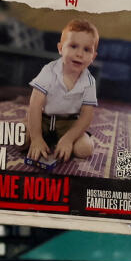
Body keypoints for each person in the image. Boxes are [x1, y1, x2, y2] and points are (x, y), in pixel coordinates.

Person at [26, 18, 99, 167]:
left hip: (69, 124)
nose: (79, 54)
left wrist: (69, 139)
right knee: (20, 140)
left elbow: (86, 116)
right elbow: (34, 105)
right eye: (73, 46)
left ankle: (63, 142)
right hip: (44, 119)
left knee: (85, 149)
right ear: (60, 48)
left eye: (87, 50)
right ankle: (37, 134)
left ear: (93, 57)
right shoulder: (49, 71)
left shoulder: (89, 82)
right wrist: (36, 138)